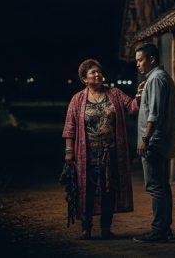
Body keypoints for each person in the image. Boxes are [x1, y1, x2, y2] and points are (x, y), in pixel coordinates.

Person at [62, 59, 139, 240]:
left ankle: (106, 228)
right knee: (86, 190)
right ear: (84, 79)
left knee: (109, 191)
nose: (98, 75)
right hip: (86, 154)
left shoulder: (115, 93)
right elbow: (69, 126)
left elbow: (132, 108)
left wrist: (141, 96)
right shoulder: (78, 99)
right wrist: (68, 152)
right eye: (93, 73)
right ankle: (86, 227)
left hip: (111, 153)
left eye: (99, 71)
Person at [132, 43, 175, 243]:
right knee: (162, 186)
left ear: (151, 59)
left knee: (155, 187)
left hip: (154, 142)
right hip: (160, 141)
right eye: (136, 61)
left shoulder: (157, 79)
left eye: (140, 60)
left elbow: (155, 114)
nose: (138, 65)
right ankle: (164, 229)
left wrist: (145, 139)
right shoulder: (156, 78)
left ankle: (159, 230)